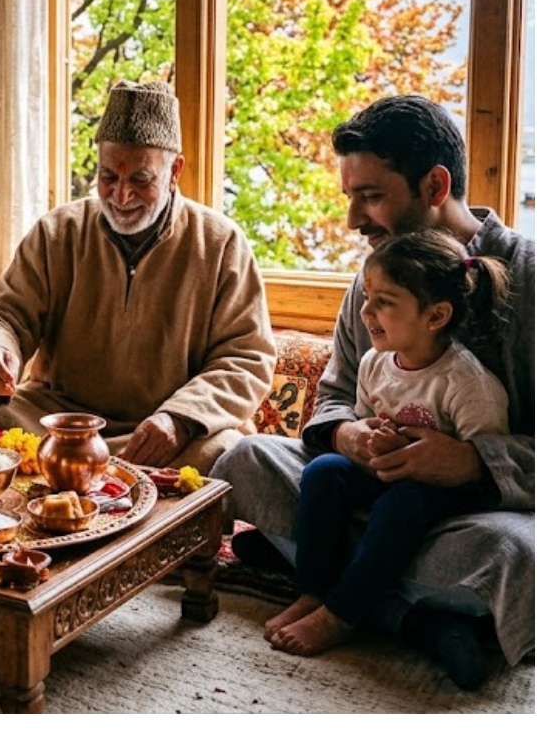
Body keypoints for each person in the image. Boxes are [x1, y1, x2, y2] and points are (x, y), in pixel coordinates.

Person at [212, 95, 535, 689]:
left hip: (475, 518)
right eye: (349, 198)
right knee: (245, 458)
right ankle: (412, 614)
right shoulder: (374, 275)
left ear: (434, 185)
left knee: (518, 556)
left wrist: (470, 462)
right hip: (367, 493)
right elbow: (335, 393)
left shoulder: (533, 278)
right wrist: (348, 433)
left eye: (371, 196)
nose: (352, 221)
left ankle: (340, 586)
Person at [0, 80, 276, 473]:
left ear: (175, 170)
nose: (121, 196)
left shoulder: (221, 242)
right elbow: (2, 315)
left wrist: (179, 419)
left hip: (161, 432)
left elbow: (247, 358)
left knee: (226, 451)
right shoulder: (58, 231)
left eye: (141, 180)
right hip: (59, 424)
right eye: (109, 177)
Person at [266, 228, 510, 657]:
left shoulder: (468, 384)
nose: (366, 312)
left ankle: (342, 613)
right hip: (386, 477)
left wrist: (440, 461)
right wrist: (368, 437)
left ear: (435, 316)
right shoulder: (374, 364)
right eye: (366, 297)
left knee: (406, 503)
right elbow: (363, 420)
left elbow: (486, 467)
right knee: (323, 471)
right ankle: (313, 592)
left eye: (384, 302)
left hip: (440, 497)